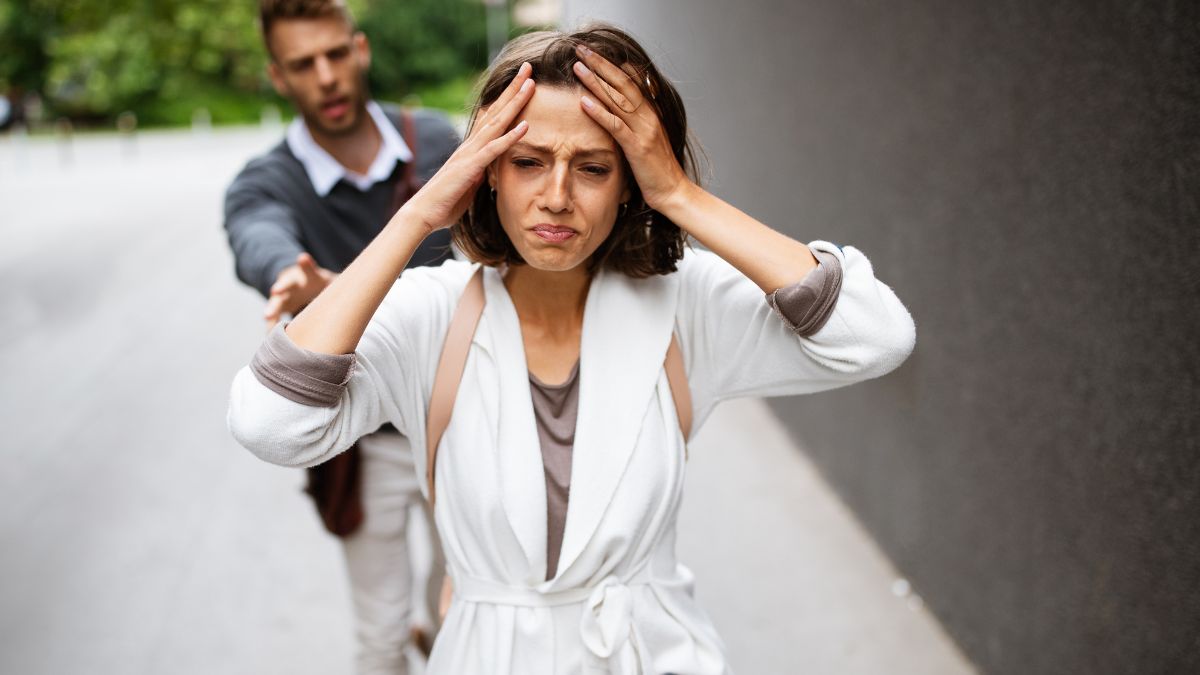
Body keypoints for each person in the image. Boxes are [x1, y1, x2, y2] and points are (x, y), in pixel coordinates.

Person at [228, 24, 916, 674]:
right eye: (528, 162)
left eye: (592, 167)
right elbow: (269, 423)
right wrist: (417, 217)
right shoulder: (431, 311)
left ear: (629, 186)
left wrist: (680, 193)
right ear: (489, 171)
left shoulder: (686, 305)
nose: (556, 197)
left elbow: (874, 335)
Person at [222, 1, 457, 672]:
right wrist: (287, 273)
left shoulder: (438, 143)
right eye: (302, 64)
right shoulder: (270, 180)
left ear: (360, 50)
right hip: (363, 446)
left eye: (333, 55)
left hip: (458, 421)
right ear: (277, 75)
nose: (324, 76)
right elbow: (255, 231)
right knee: (381, 636)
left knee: (464, 607)